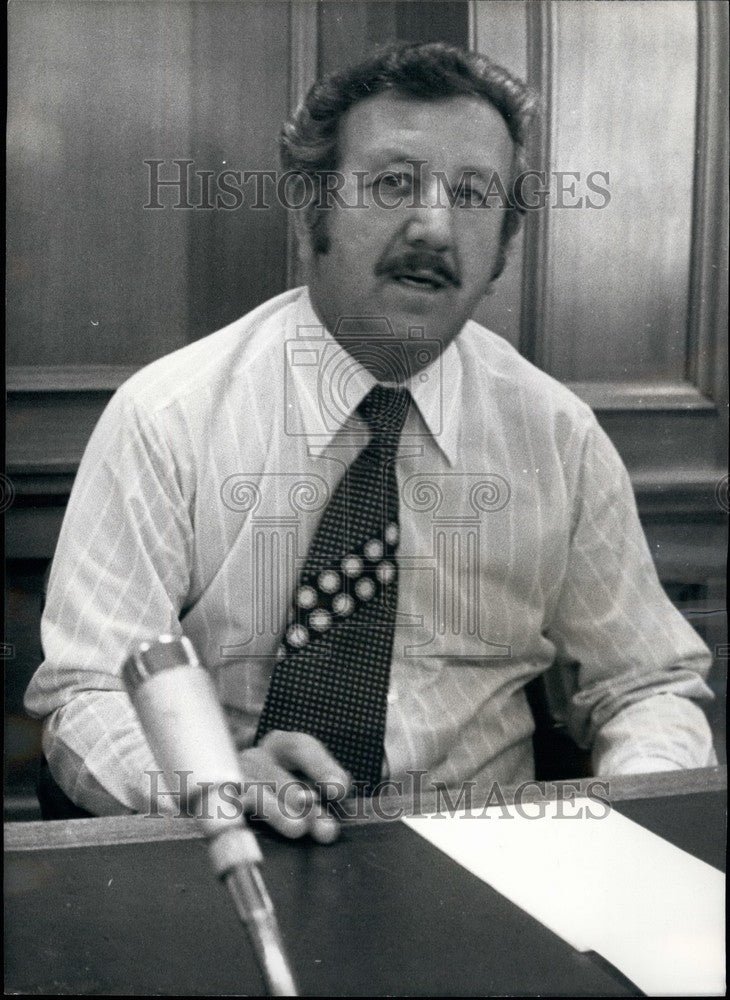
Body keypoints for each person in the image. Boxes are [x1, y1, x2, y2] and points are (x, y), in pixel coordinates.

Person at [24, 42, 717, 840]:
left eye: (473, 194)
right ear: (310, 211)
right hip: (237, 846)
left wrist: (634, 832)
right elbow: (87, 691)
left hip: (494, 860)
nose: (432, 224)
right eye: (393, 183)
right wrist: (204, 784)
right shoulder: (167, 416)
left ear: (502, 249)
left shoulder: (557, 436)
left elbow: (647, 682)